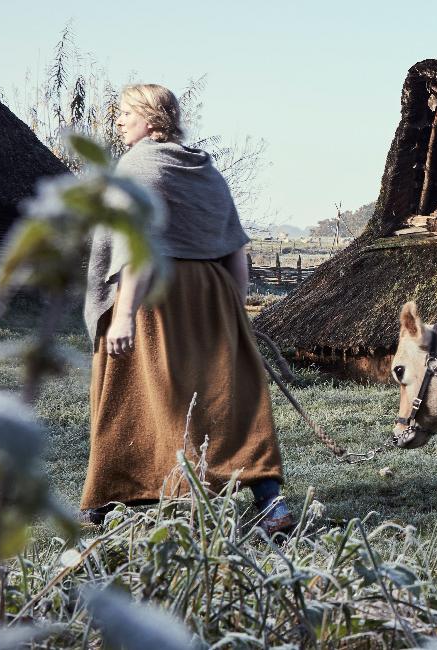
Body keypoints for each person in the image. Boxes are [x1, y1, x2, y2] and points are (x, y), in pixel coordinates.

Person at [81, 83, 292, 536]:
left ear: (152, 119)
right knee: (229, 393)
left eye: (125, 113)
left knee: (129, 395)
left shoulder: (136, 167)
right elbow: (236, 248)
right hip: (214, 293)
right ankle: (271, 502)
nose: (119, 122)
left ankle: (100, 505)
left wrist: (121, 315)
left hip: (154, 295)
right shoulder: (206, 171)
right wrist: (234, 309)